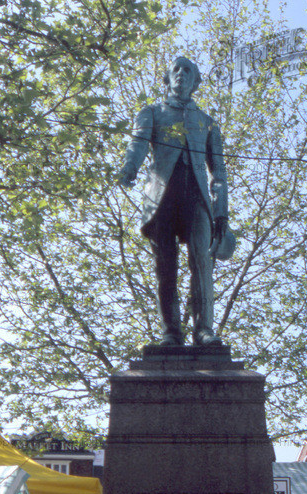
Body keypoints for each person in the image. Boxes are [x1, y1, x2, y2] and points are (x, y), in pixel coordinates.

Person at [119, 56, 229, 346]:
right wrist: (129, 167)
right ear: (167, 79)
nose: (181, 74)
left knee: (201, 263)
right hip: (161, 199)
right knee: (165, 266)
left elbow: (218, 171)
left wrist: (221, 212)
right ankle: (171, 331)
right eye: (176, 70)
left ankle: (204, 329)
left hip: (197, 199)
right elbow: (138, 144)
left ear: (196, 81)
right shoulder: (152, 112)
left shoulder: (207, 123)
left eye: (188, 70)